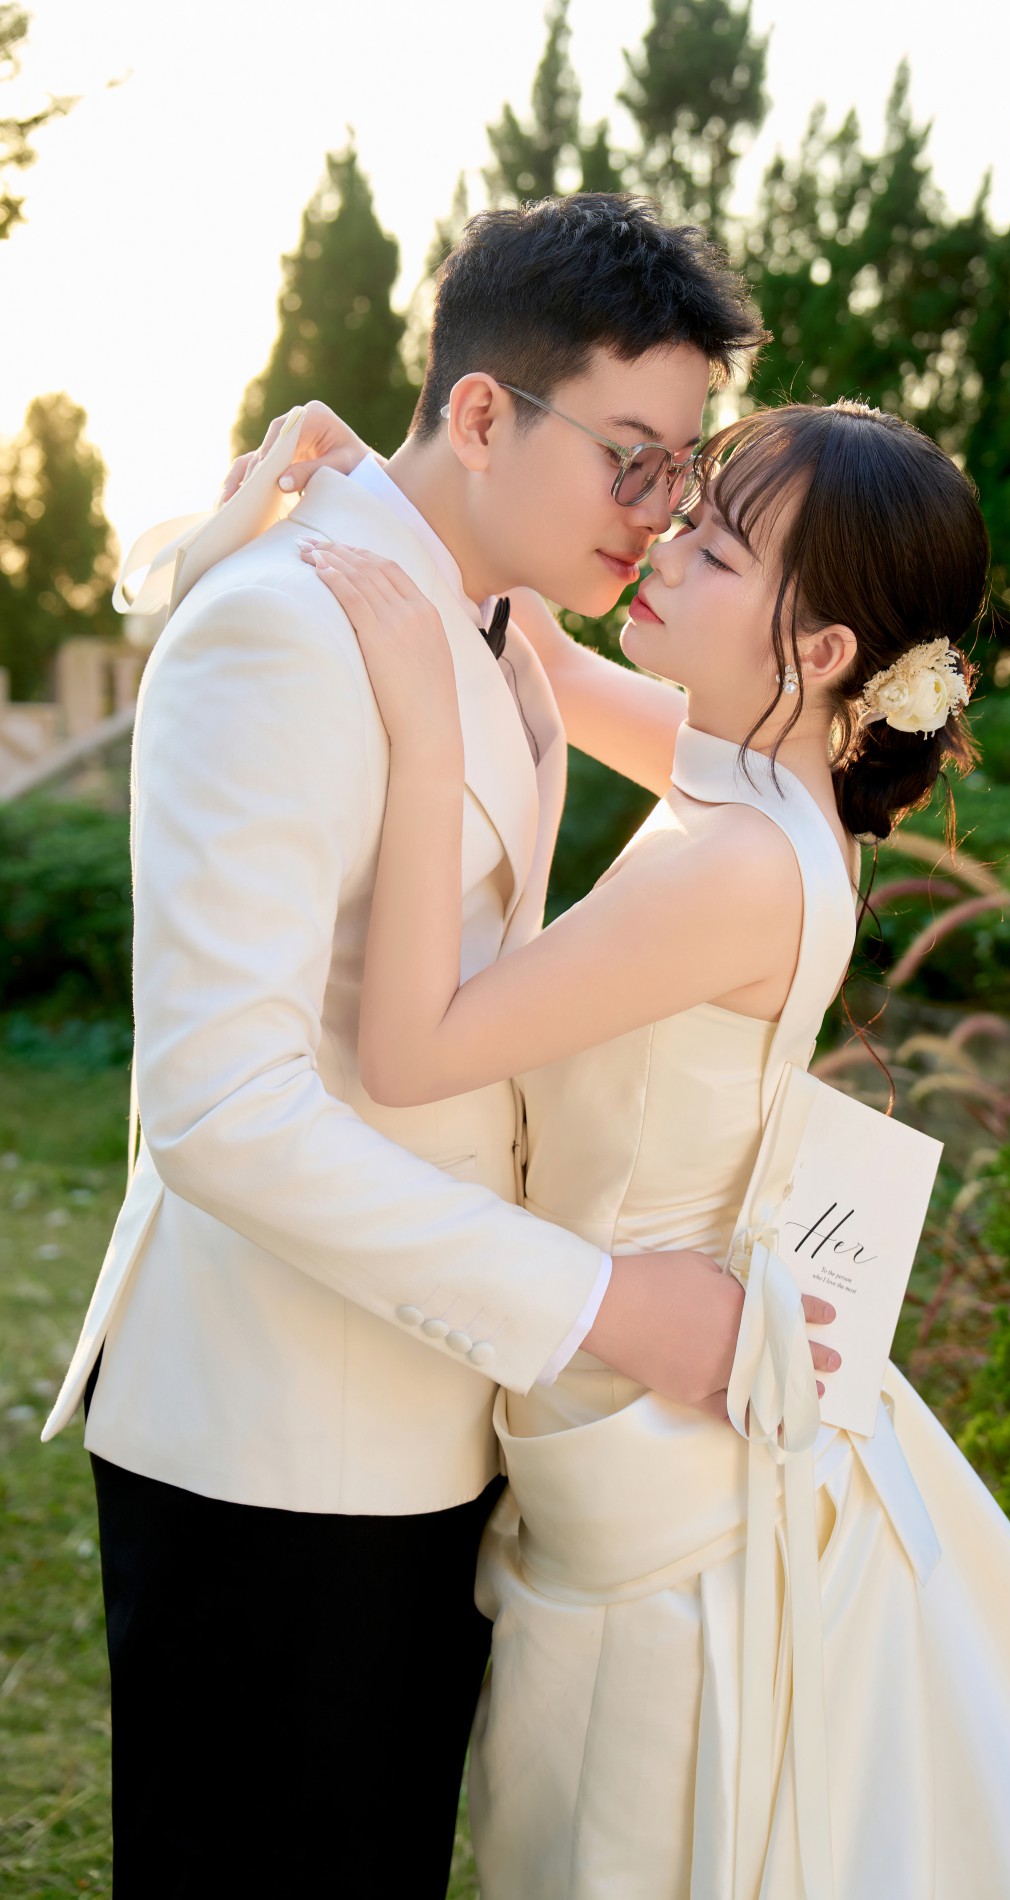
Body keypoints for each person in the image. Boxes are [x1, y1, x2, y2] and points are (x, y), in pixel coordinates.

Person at [293, 395, 1010, 1899]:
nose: (665, 547)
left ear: (818, 652)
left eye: (721, 549)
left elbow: (414, 1048)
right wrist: (404, 480)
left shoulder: (742, 865)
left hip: (657, 1447)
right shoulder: (763, 781)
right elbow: (555, 661)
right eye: (689, 518)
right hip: (638, 1399)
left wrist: (423, 732)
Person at [41, 194, 850, 1900]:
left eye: (680, 470)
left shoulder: (494, 621)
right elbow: (224, 1108)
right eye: (631, 458)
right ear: (482, 412)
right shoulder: (284, 622)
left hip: (438, 1421)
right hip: (280, 1434)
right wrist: (603, 1303)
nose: (658, 511)